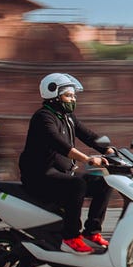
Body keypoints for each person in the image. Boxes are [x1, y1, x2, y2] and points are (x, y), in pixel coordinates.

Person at [18, 73, 113, 254]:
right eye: (69, 95)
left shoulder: (68, 117)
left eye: (73, 95)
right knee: (77, 184)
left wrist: (110, 150)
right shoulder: (43, 117)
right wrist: (87, 159)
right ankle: (70, 237)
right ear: (53, 95)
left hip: (60, 173)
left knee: (104, 182)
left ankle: (92, 231)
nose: (73, 99)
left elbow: (89, 135)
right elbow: (58, 143)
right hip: (40, 175)